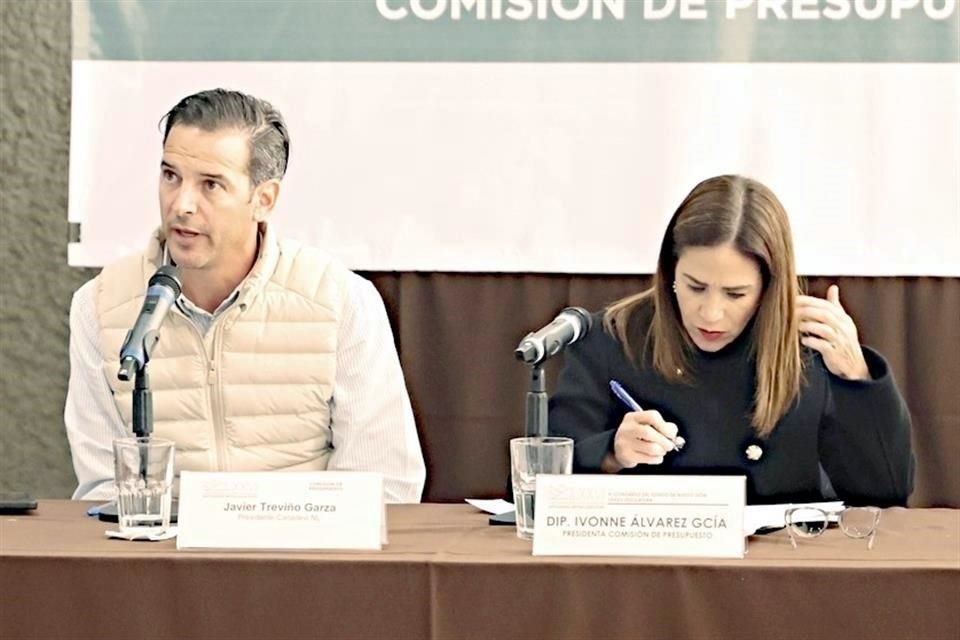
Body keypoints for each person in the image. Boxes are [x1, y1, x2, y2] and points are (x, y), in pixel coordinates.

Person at [64, 89, 426, 503]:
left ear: (263, 199)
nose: (181, 204)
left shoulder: (341, 302)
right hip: (161, 559)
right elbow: (101, 490)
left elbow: (384, 485)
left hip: (304, 558)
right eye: (171, 176)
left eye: (211, 185)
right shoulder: (101, 306)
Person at [548, 174, 913, 506]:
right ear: (670, 271)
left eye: (735, 294)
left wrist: (857, 376)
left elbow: (886, 490)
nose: (710, 313)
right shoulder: (614, 337)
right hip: (649, 562)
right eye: (695, 287)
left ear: (768, 289)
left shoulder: (808, 345)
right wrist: (611, 452)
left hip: (780, 561)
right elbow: (540, 484)